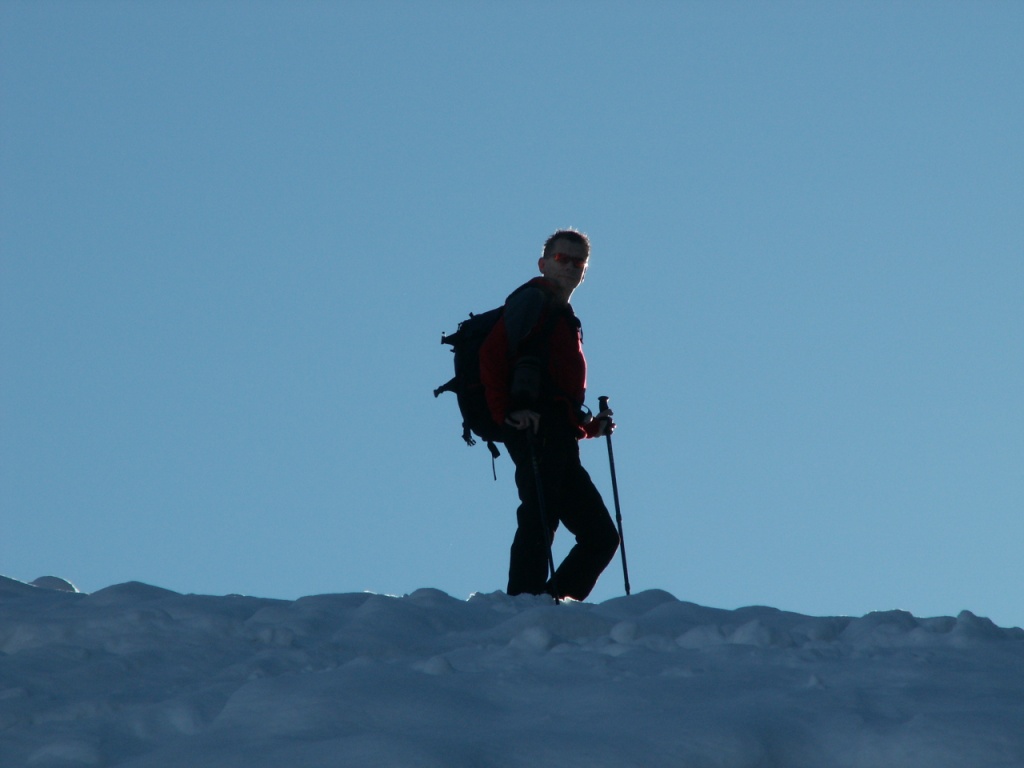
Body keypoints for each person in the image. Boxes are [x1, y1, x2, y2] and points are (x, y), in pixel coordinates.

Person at [480, 229, 619, 601]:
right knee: (541, 515)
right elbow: (491, 356)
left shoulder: (563, 315)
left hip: (557, 432)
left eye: (579, 261)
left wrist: (588, 427)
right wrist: (507, 412)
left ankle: (546, 606)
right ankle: (524, 605)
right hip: (534, 428)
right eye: (562, 258)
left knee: (600, 536)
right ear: (543, 263)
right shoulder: (533, 299)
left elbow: (556, 392)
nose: (571, 266)